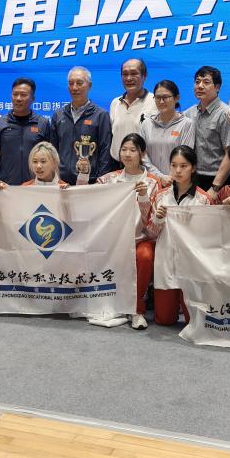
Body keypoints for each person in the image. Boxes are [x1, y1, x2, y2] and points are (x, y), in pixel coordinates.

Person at [79, 133, 161, 329]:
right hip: (112, 240)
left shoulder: (152, 182)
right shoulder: (109, 179)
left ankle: (137, 310)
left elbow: (151, 226)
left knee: (145, 257)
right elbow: (84, 197)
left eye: (133, 150)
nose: (127, 154)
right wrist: (83, 174)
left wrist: (143, 198)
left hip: (140, 239)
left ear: (142, 154)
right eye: (124, 149)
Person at [146, 145, 212, 326]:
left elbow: (208, 238)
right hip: (166, 262)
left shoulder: (203, 199)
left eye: (183, 166)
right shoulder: (160, 196)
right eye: (174, 165)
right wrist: (157, 219)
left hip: (191, 265)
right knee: (164, 320)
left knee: (194, 322)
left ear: (193, 168)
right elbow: (151, 233)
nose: (178, 170)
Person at [185, 66, 230, 195]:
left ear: (217, 87)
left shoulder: (225, 114)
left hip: (218, 179)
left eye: (206, 82)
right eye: (197, 82)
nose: (200, 86)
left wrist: (215, 187)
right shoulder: (189, 113)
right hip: (194, 177)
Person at [49, 67, 112, 184]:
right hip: (62, 182)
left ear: (90, 85)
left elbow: (105, 151)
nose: (74, 88)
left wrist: (101, 180)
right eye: (71, 83)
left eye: (79, 83)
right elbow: (52, 150)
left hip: (90, 181)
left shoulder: (100, 115)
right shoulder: (58, 115)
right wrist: (54, 177)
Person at [0, 78, 53, 185]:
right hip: (6, 186)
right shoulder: (0, 123)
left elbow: (50, 156)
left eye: (23, 95)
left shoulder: (43, 123)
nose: (18, 98)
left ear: (32, 99)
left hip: (36, 186)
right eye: (15, 94)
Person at [140, 80, 195, 181]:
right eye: (158, 97)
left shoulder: (187, 124)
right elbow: (143, 155)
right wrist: (159, 176)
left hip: (177, 180)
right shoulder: (146, 124)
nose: (161, 102)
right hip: (151, 180)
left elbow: (185, 157)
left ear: (177, 98)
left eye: (165, 97)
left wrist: (170, 178)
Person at [109, 59, 157, 169]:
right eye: (125, 74)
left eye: (134, 73)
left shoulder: (155, 101)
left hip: (144, 167)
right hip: (117, 166)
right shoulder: (115, 103)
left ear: (144, 76)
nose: (129, 78)